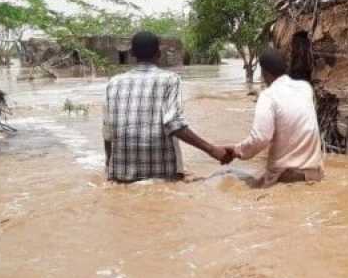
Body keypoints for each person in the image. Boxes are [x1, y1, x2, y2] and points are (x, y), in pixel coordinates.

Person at [103, 31, 233, 183]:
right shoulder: (170, 79)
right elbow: (173, 123)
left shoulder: (114, 83)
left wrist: (109, 165)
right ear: (158, 53)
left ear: (131, 53)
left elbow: (107, 130)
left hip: (121, 174)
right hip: (161, 173)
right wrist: (212, 150)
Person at [231, 49, 324, 187]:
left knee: (229, 174)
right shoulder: (305, 88)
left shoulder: (268, 96)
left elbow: (260, 138)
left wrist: (236, 151)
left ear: (264, 73)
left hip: (286, 178)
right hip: (316, 175)